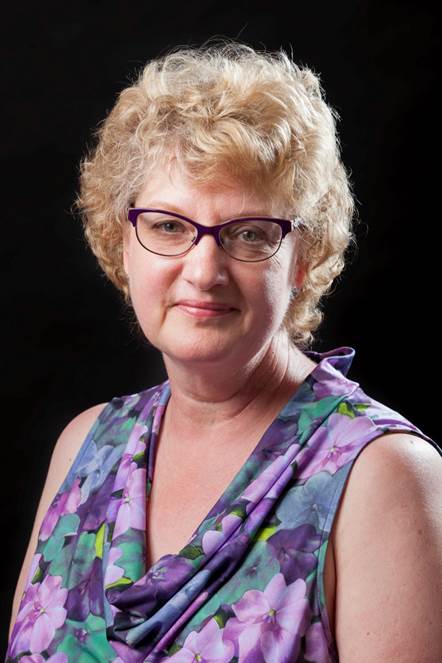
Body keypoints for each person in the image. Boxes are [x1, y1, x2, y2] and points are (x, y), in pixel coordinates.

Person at [6, 39, 442, 663]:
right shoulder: (85, 447)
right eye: (168, 226)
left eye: (248, 234)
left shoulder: (383, 474)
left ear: (303, 257)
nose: (204, 270)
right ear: (120, 241)